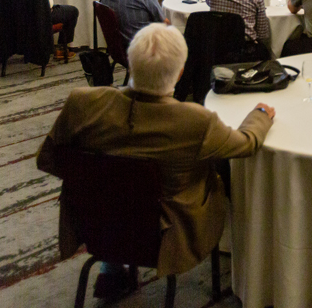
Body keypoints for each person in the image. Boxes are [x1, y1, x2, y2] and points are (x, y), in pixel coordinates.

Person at [36, 23, 274, 298]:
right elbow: (247, 144)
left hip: (96, 222)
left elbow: (49, 159)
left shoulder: (82, 102)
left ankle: (110, 268)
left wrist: (95, 184)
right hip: (167, 232)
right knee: (219, 170)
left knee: (118, 185)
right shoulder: (196, 121)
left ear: (129, 61)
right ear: (181, 71)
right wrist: (259, 115)